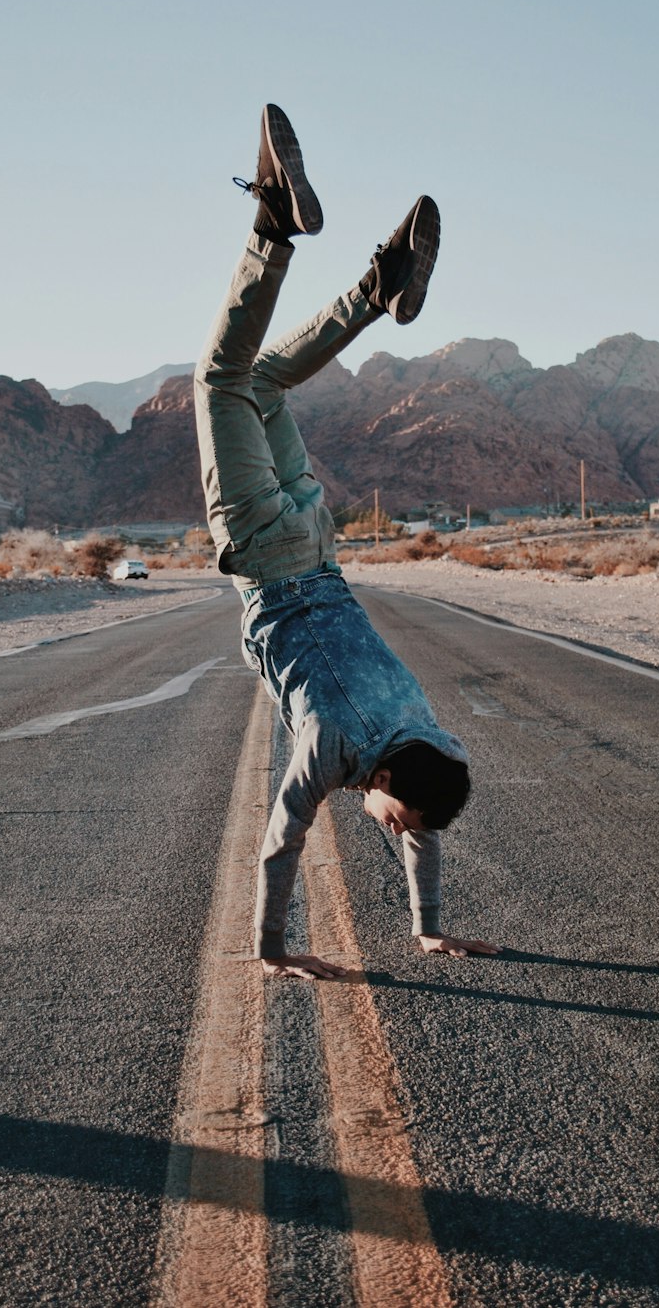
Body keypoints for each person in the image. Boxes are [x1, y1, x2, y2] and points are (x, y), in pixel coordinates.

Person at [195, 104, 498, 979]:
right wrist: (271, 952)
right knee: (219, 377)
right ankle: (272, 230)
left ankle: (380, 285)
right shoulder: (331, 745)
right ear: (393, 790)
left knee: (258, 379)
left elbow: (426, 822)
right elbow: (282, 841)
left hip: (320, 541)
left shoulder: (430, 736)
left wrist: (429, 926)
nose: (398, 835)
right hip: (269, 552)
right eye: (395, 822)